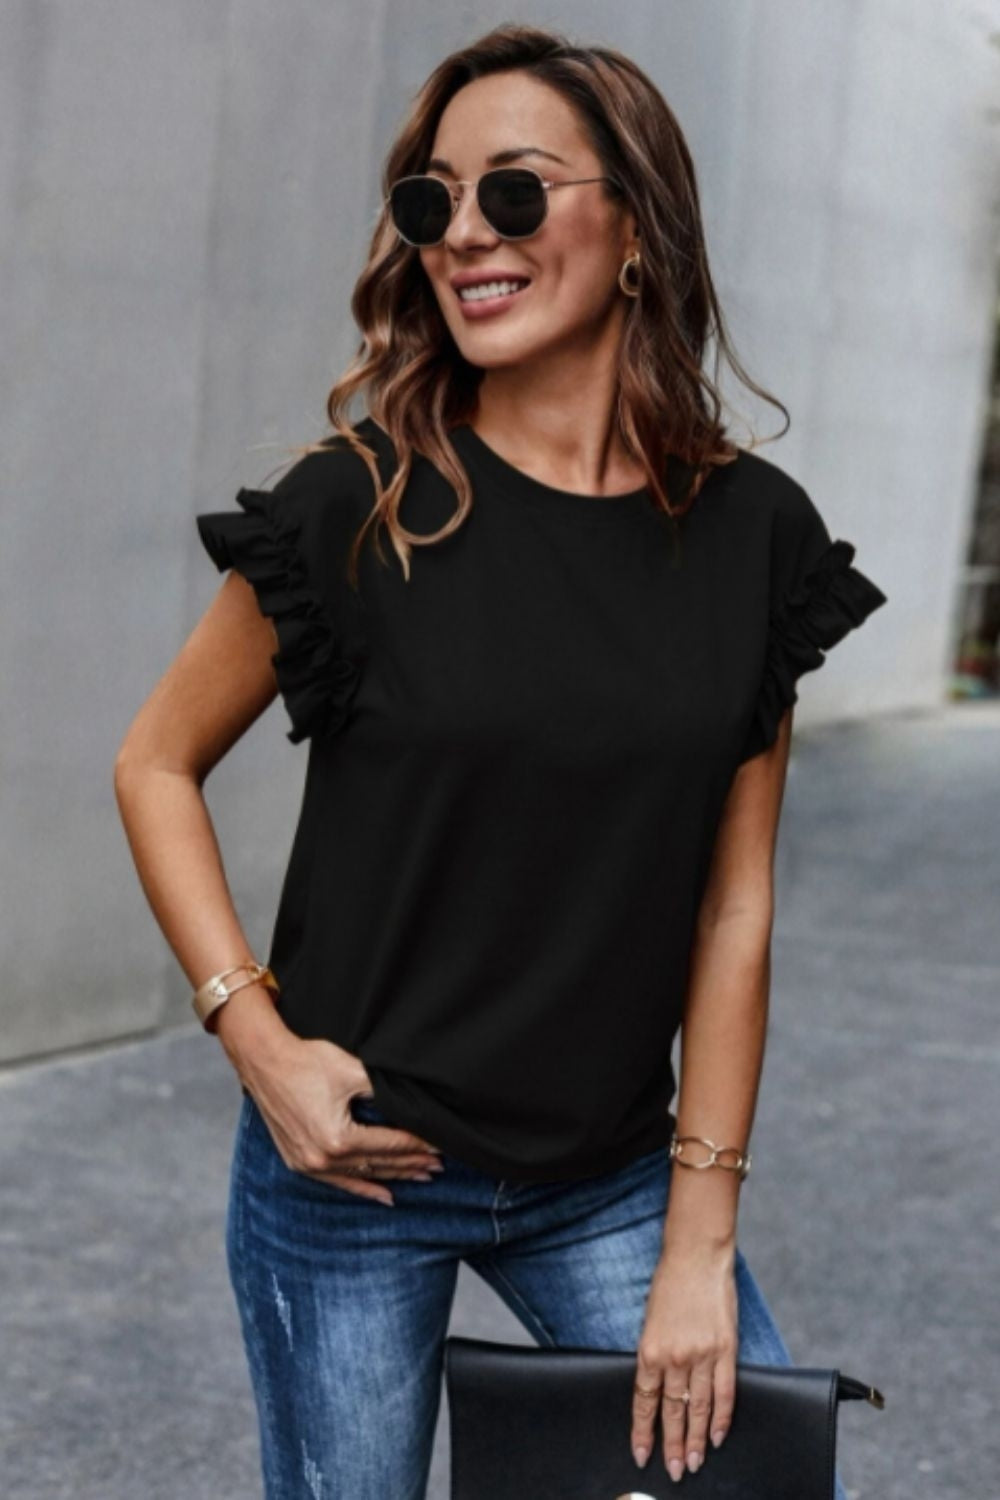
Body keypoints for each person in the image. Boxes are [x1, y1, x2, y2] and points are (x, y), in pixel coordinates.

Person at [114, 23, 886, 1500]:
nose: (464, 231)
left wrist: (700, 1243)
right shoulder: (356, 505)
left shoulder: (755, 541)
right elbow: (155, 763)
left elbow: (733, 908)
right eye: (433, 199)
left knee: (758, 1486)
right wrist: (256, 1042)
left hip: (607, 1177)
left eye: (515, 191)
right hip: (352, 1174)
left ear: (638, 228)